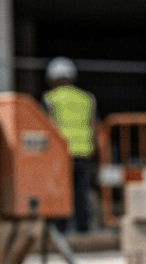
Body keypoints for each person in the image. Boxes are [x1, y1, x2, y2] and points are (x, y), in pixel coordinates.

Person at [43, 56, 97, 233]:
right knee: (81, 193)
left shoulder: (50, 98)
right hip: (83, 152)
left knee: (61, 192)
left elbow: (48, 124)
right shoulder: (87, 98)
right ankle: (84, 228)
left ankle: (60, 229)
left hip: (61, 153)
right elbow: (92, 124)